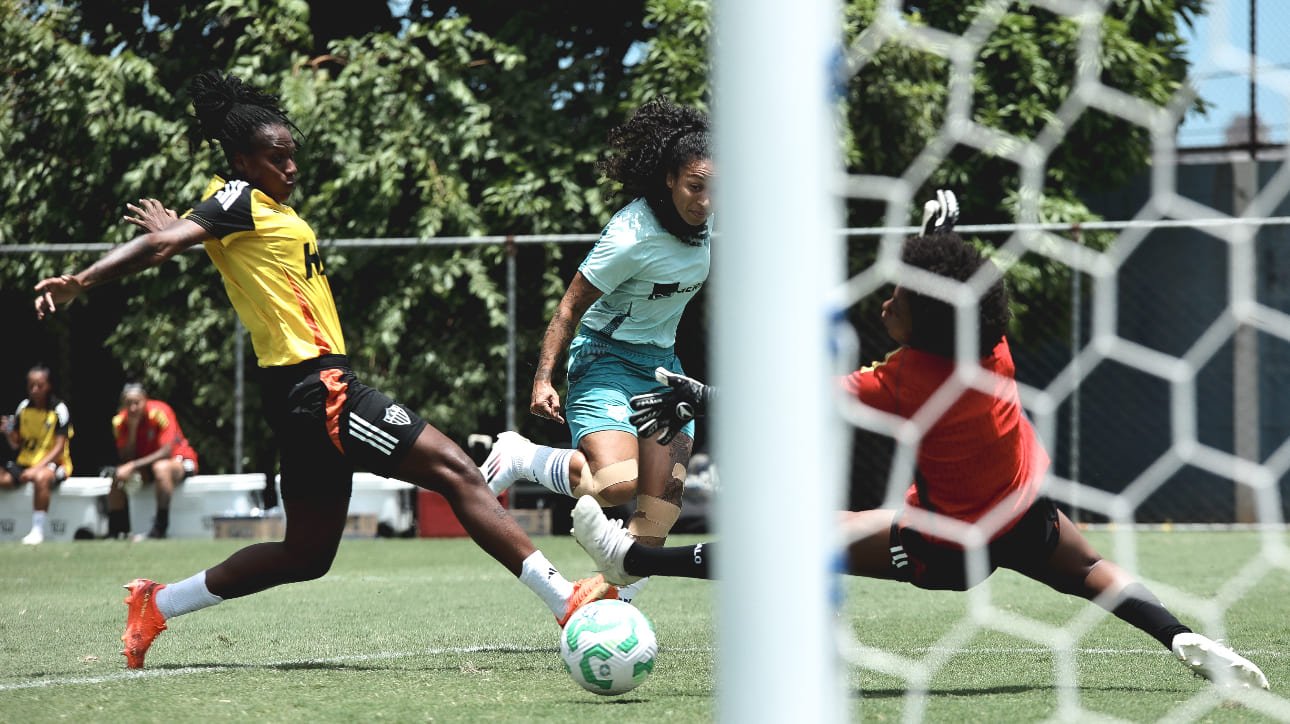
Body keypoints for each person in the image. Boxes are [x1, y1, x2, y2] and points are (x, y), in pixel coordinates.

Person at [571, 192, 1270, 691]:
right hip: (1022, 510)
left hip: (946, 545)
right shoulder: (989, 342)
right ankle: (1178, 635)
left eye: (896, 301)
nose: (884, 305)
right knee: (1093, 574)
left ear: (924, 317)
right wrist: (945, 238)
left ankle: (633, 558)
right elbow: (956, 281)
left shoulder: (906, 380)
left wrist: (702, 396)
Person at [32, 70, 610, 669]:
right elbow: (162, 246)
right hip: (322, 389)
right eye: (276, 158)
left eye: (293, 156)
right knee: (461, 472)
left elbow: (182, 237)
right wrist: (83, 280)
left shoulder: (237, 207)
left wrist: (174, 234)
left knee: (307, 555)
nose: (291, 168)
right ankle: (567, 600)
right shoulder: (238, 199)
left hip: (300, 397)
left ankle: (157, 603)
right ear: (241, 160)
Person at [481, 97, 713, 599]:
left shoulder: (713, 219)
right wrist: (543, 378)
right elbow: (569, 308)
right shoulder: (631, 236)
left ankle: (615, 606)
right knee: (616, 485)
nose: (706, 202)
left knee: (660, 507)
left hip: (663, 372)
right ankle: (524, 457)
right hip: (604, 359)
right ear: (671, 178)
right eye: (696, 187)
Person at [105, 382, 200, 540]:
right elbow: (126, 457)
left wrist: (133, 465)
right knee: (118, 475)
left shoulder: (160, 412)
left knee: (161, 468)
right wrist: (133, 430)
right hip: (148, 465)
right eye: (128, 403)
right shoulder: (120, 421)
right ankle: (115, 531)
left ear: (145, 400)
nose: (133, 408)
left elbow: (166, 452)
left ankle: (160, 529)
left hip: (178, 460)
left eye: (137, 402)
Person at [0, 365, 75, 545]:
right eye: (31, 385)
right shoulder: (23, 408)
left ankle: (37, 530)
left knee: (41, 478)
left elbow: (59, 447)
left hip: (55, 464)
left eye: (39, 385)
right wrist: (8, 432)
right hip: (25, 462)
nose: (35, 390)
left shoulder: (59, 409)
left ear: (49, 385)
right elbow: (16, 443)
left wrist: (36, 468)